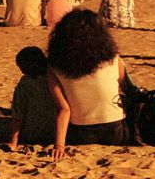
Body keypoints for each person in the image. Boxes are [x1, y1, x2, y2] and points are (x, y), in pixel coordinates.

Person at [47, 10, 133, 161]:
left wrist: (59, 146)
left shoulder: (55, 67)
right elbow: (128, 89)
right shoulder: (112, 60)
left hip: (81, 132)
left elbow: (64, 109)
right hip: (115, 130)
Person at [4, 47, 56, 149]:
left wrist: (13, 142)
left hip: (32, 134)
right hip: (56, 133)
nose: (22, 71)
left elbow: (18, 116)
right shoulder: (57, 80)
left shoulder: (26, 83)